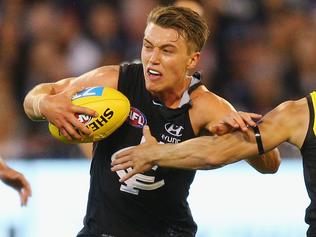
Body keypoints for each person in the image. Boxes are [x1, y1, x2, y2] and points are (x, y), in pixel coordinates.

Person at [23, 6, 280, 237]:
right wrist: (43, 104)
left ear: (192, 60)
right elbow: (37, 96)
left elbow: (271, 164)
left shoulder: (206, 107)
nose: (152, 59)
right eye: (148, 46)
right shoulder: (115, 81)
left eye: (166, 50)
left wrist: (245, 134)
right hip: (100, 231)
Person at [111, 91, 316, 236]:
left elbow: (263, 162)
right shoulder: (302, 113)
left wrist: (157, 153)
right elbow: (218, 151)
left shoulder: (300, 112)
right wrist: (157, 153)